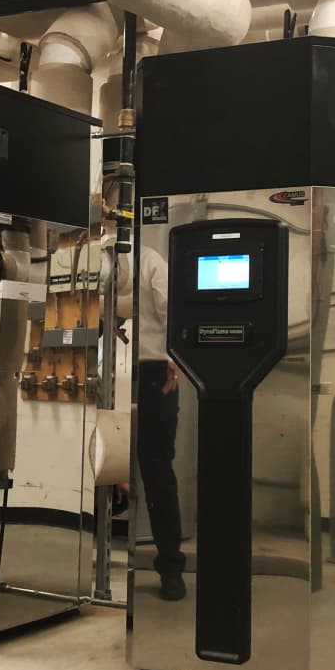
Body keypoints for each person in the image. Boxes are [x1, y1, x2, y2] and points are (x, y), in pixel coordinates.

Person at [134, 244, 186, 600]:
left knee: (156, 474)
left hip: (152, 372)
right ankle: (171, 571)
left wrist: (173, 358)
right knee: (157, 475)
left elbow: (175, 312)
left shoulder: (151, 262)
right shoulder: (150, 261)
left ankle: (171, 566)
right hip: (144, 371)